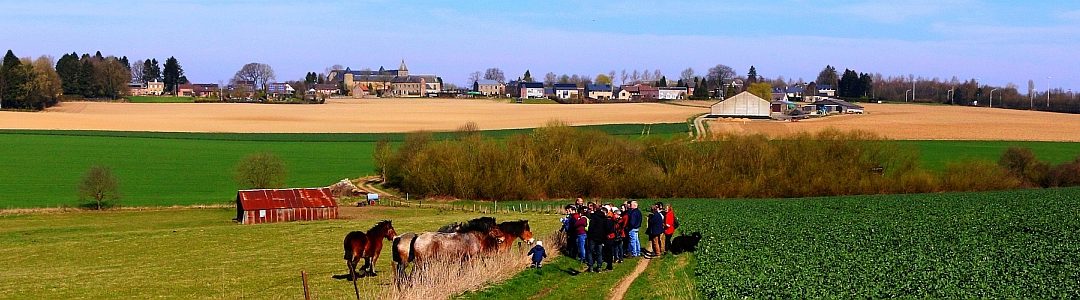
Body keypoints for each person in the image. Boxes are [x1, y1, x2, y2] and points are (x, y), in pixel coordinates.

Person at [587, 206, 613, 272]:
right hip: (601, 238)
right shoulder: (604, 218)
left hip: (592, 237)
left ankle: (591, 266)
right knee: (599, 252)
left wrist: (589, 235)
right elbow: (606, 228)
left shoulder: (594, 218)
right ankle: (599, 267)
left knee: (590, 251)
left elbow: (590, 228)